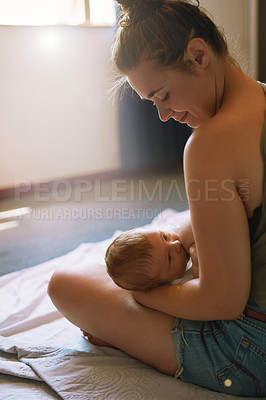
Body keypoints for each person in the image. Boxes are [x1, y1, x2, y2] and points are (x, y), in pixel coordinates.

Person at [48, 0, 266, 396]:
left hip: (251, 350)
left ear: (198, 55)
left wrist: (144, 293)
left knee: (66, 282)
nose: (164, 116)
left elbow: (222, 303)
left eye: (162, 95)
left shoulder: (209, 146)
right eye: (153, 104)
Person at [105, 227, 198, 291]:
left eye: (165, 237)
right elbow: (203, 289)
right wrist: (197, 266)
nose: (176, 243)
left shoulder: (177, 235)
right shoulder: (177, 285)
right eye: (169, 258)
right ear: (159, 284)